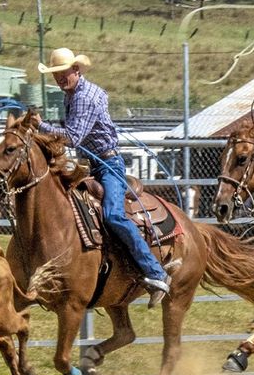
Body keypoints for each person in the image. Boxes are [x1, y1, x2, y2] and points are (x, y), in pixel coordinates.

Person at [36, 47, 173, 307]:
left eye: (63, 73)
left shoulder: (84, 97)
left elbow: (74, 137)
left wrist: (41, 126)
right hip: (93, 164)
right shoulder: (73, 94)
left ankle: (155, 271)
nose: (59, 79)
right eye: (56, 75)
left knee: (113, 214)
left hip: (108, 164)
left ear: (76, 70)